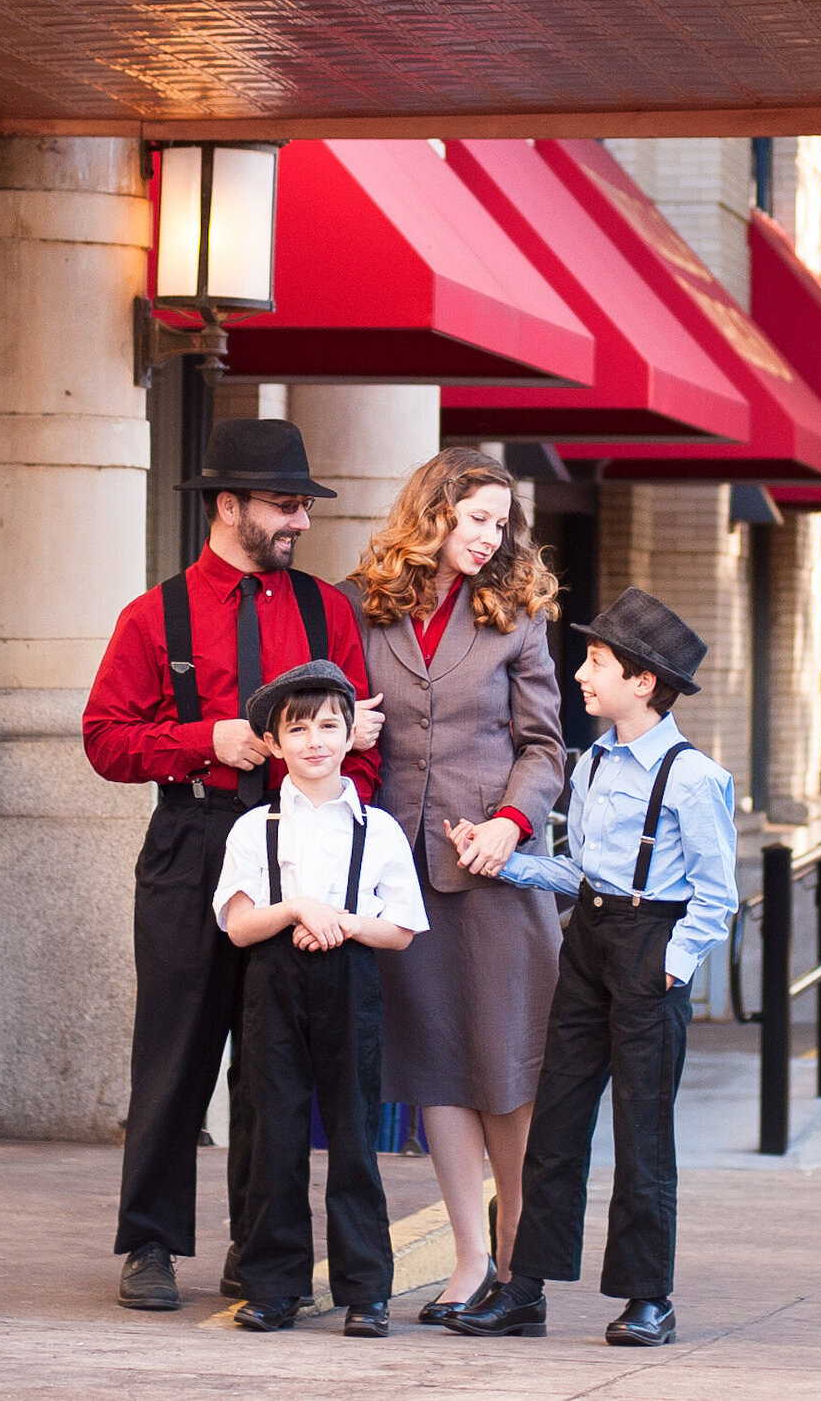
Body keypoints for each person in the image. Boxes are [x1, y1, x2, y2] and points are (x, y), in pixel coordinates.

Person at [83, 417, 379, 1312]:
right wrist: (198, 741)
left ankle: (262, 1254)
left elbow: (363, 747)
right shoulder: (153, 614)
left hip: (296, 848)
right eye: (284, 504)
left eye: (302, 504)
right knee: (174, 1051)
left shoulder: (329, 610)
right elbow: (104, 739)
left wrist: (332, 828)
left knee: (273, 1063)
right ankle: (148, 1243)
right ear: (228, 505)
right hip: (194, 841)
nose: (300, 520)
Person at [445, 587, 738, 1347]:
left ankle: (649, 1299)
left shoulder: (693, 777)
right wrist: (505, 862)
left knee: (645, 1133)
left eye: (597, 663)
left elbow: (718, 895)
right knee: (558, 1120)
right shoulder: (594, 765)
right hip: (588, 944)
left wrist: (672, 966)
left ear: (643, 682)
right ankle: (524, 1289)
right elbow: (581, 872)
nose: (581, 674)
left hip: (651, 949)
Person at [343, 447, 565, 1323]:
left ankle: (520, 1264)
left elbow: (545, 745)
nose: (490, 537)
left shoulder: (516, 614)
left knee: (506, 1068)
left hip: (495, 870)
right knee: (436, 1064)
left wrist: (512, 826)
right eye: (476, 519)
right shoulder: (367, 604)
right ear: (432, 512)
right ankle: (470, 1261)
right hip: (402, 868)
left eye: (500, 523)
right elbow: (333, 715)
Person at [214, 659, 428, 1337]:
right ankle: (275, 1287)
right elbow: (242, 923)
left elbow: (400, 929)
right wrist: (301, 908)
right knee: (273, 1134)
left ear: (351, 735)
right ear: (273, 743)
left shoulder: (377, 828)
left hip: (352, 980)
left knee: (356, 1135)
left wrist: (338, 923)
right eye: (297, 728)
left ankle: (366, 1290)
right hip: (273, 985)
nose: (314, 741)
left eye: (329, 726)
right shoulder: (255, 828)